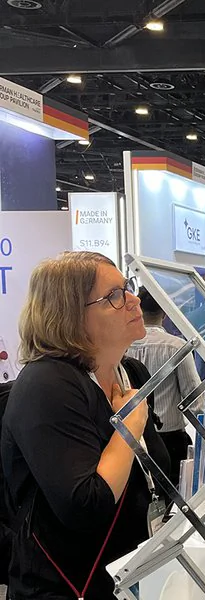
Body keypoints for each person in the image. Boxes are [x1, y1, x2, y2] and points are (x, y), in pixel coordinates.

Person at [1, 251, 169, 599]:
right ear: (71, 315)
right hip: (67, 588)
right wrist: (129, 426)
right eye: (115, 296)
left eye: (127, 288)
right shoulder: (47, 384)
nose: (134, 300)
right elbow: (87, 506)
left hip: (132, 576)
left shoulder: (131, 373)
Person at [127, 287, 203, 489]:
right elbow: (194, 398)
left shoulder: (124, 345)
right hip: (171, 440)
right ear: (165, 313)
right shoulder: (176, 346)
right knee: (174, 496)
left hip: (132, 440)